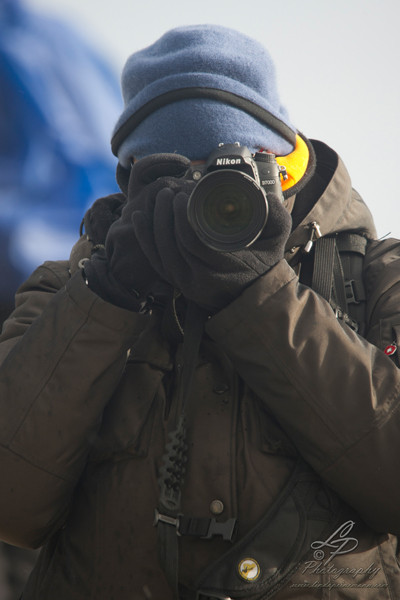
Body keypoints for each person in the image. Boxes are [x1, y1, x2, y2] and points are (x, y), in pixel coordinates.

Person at [1, 23, 400, 600]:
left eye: (229, 176)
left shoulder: (379, 278)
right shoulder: (68, 292)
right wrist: (108, 292)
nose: (206, 205)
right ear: (131, 185)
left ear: (284, 165)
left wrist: (264, 299)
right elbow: (9, 504)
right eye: (175, 178)